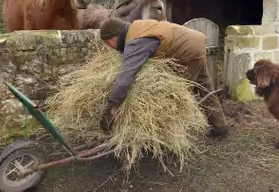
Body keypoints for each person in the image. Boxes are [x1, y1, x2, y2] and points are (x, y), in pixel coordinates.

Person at [98, 17, 229, 137]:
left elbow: (125, 78)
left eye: (108, 43)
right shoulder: (137, 27)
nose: (111, 47)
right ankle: (220, 126)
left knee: (175, 97)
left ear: (112, 38)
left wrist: (113, 106)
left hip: (187, 52)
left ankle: (171, 139)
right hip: (195, 43)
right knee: (205, 87)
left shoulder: (135, 42)